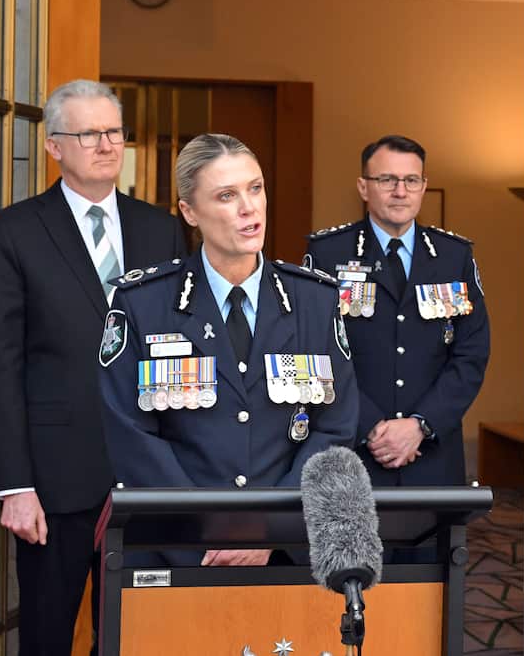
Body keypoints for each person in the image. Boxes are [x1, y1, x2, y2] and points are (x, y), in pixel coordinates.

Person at [0, 80, 186, 655]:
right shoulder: (14, 231)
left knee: (134, 637)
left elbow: (181, 345)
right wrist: (15, 485)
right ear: (54, 147)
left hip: (147, 476)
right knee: (47, 636)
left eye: (113, 132)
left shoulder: (160, 228)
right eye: (88, 134)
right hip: (53, 481)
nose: (105, 145)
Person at [99, 133, 359, 566]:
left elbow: (335, 429)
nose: (248, 208)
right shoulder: (143, 302)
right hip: (175, 552)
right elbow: (131, 434)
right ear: (189, 211)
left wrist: (267, 529)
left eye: (255, 188)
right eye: (226, 195)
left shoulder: (316, 300)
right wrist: (208, 531)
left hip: (285, 552)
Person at [304, 135, 489, 487]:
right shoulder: (328, 253)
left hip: (431, 452)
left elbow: (472, 352)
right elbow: (314, 351)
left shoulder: (454, 257)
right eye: (387, 180)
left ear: (423, 187)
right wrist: (372, 426)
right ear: (363, 187)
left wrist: (420, 424)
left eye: (411, 180)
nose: (400, 191)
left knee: (431, 542)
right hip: (352, 451)